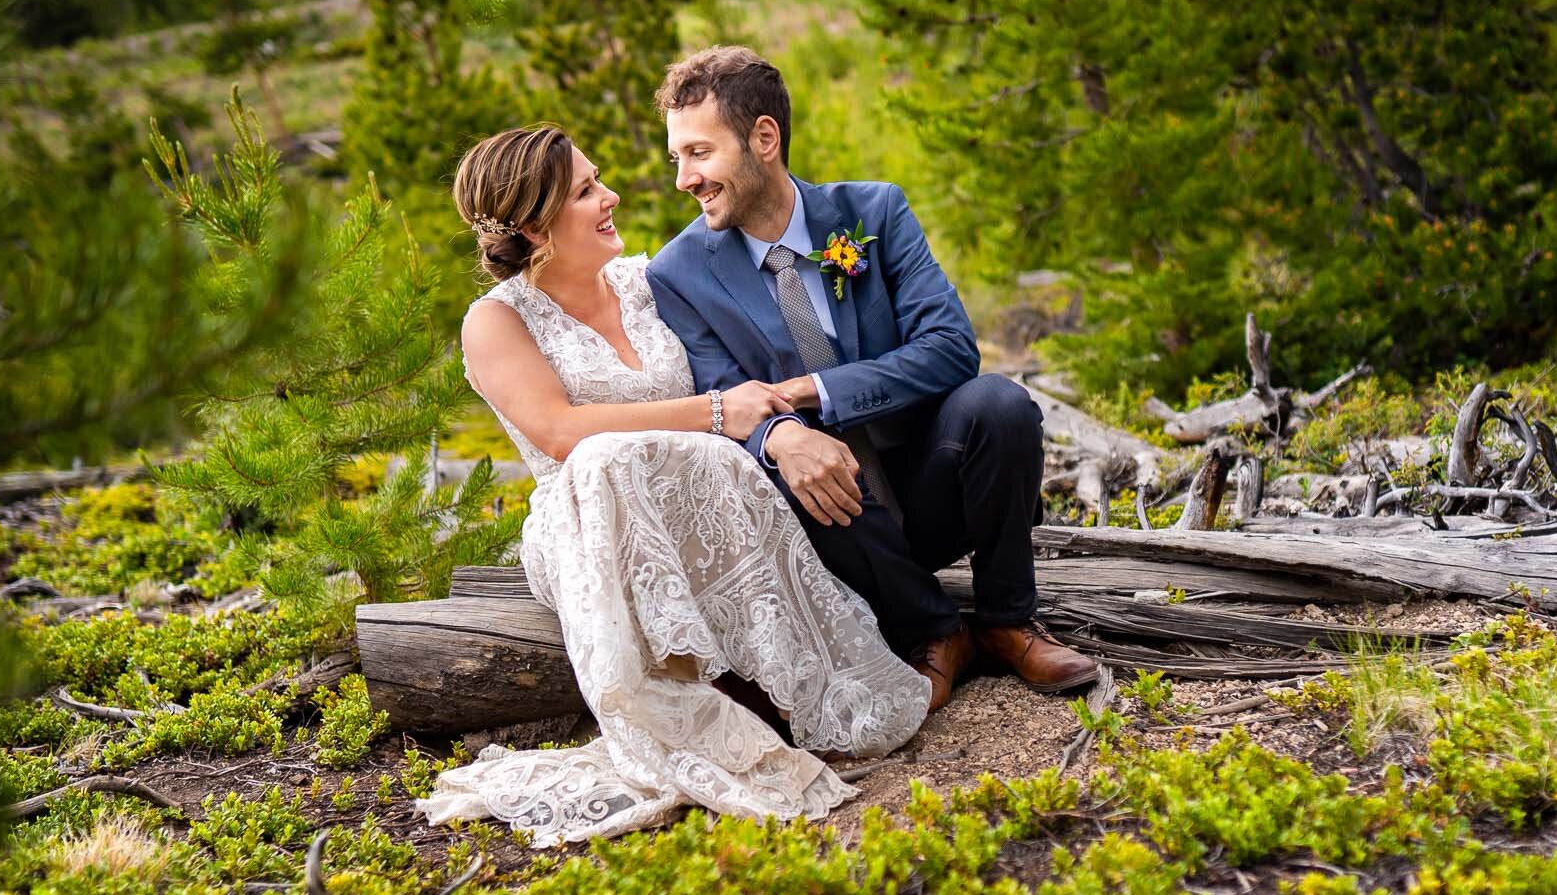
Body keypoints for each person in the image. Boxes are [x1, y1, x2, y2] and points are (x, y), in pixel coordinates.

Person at [414, 124, 929, 846]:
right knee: (606, 461)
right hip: (590, 520)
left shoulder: (646, 283)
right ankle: (690, 703)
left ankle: (781, 677)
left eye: (600, 180)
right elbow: (563, 432)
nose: (611, 196)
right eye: (587, 190)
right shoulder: (495, 321)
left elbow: (731, 361)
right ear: (534, 225)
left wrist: (781, 418)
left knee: (708, 460)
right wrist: (718, 411)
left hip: (705, 507)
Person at [644, 45, 1099, 713]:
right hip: (833, 526)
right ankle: (936, 632)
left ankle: (1006, 620)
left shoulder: (874, 214)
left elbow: (950, 349)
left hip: (930, 480)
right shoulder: (679, 273)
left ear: (763, 138)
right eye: (676, 157)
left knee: (1001, 404)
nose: (684, 177)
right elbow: (726, 401)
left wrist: (811, 391)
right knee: (779, 466)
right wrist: (780, 437)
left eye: (700, 153)